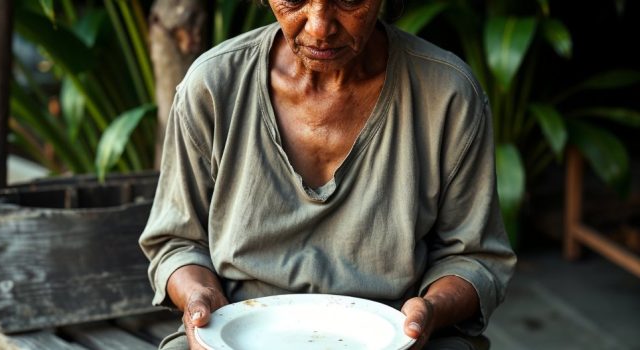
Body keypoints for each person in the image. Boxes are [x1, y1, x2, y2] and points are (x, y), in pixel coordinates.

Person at [139, 0, 516, 349]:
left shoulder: (448, 95)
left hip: (397, 337)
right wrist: (200, 297)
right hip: (237, 336)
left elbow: (474, 258)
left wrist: (429, 310)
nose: (319, 27)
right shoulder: (213, 85)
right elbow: (176, 242)